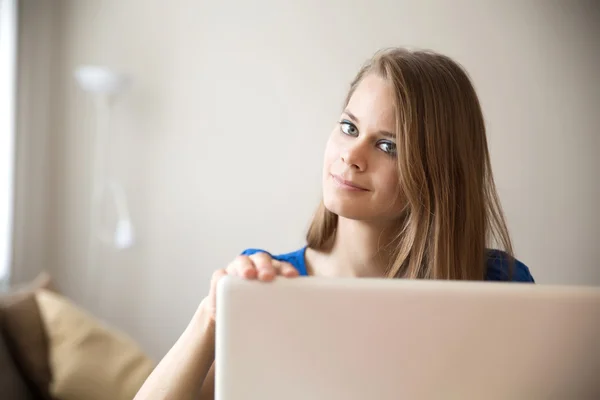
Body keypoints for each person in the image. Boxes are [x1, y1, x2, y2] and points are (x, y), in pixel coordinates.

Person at [134, 47, 535, 400]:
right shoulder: (265, 284)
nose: (351, 156)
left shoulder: (499, 285)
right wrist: (212, 313)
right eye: (349, 128)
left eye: (387, 146)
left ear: (438, 173)